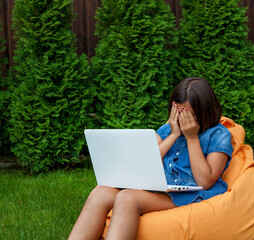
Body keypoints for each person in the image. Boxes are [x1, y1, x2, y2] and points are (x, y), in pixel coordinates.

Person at [68, 77, 233, 240]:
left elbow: (205, 182)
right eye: (179, 113)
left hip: (191, 194)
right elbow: (144, 162)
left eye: (189, 115)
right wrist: (173, 134)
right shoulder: (169, 128)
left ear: (205, 111)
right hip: (163, 188)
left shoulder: (219, 134)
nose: (183, 120)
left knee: (128, 198)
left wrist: (192, 138)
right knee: (101, 192)